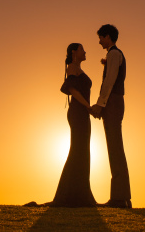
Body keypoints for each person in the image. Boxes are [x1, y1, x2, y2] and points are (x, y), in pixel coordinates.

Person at [90, 24, 131, 208]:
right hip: (114, 102)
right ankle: (122, 197)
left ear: (108, 36)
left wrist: (100, 104)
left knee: (115, 148)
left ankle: (119, 199)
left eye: (101, 38)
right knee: (115, 148)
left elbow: (110, 80)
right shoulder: (112, 55)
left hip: (113, 101)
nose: (99, 41)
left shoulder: (114, 54)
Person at [50, 43, 96, 207]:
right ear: (74, 52)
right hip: (78, 113)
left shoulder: (78, 69)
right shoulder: (71, 68)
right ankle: (70, 194)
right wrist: (88, 106)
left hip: (82, 113)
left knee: (81, 151)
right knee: (78, 150)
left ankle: (79, 192)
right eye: (83, 49)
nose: (86, 51)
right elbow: (73, 90)